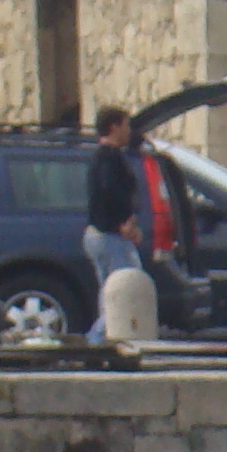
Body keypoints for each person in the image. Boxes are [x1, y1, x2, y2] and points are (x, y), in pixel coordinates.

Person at [81, 107, 144, 338]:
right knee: (125, 290)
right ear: (114, 126)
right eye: (126, 125)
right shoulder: (109, 157)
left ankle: (105, 340)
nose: (129, 131)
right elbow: (110, 191)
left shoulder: (101, 156)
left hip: (99, 233)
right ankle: (96, 340)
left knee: (109, 293)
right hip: (110, 235)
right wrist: (122, 224)